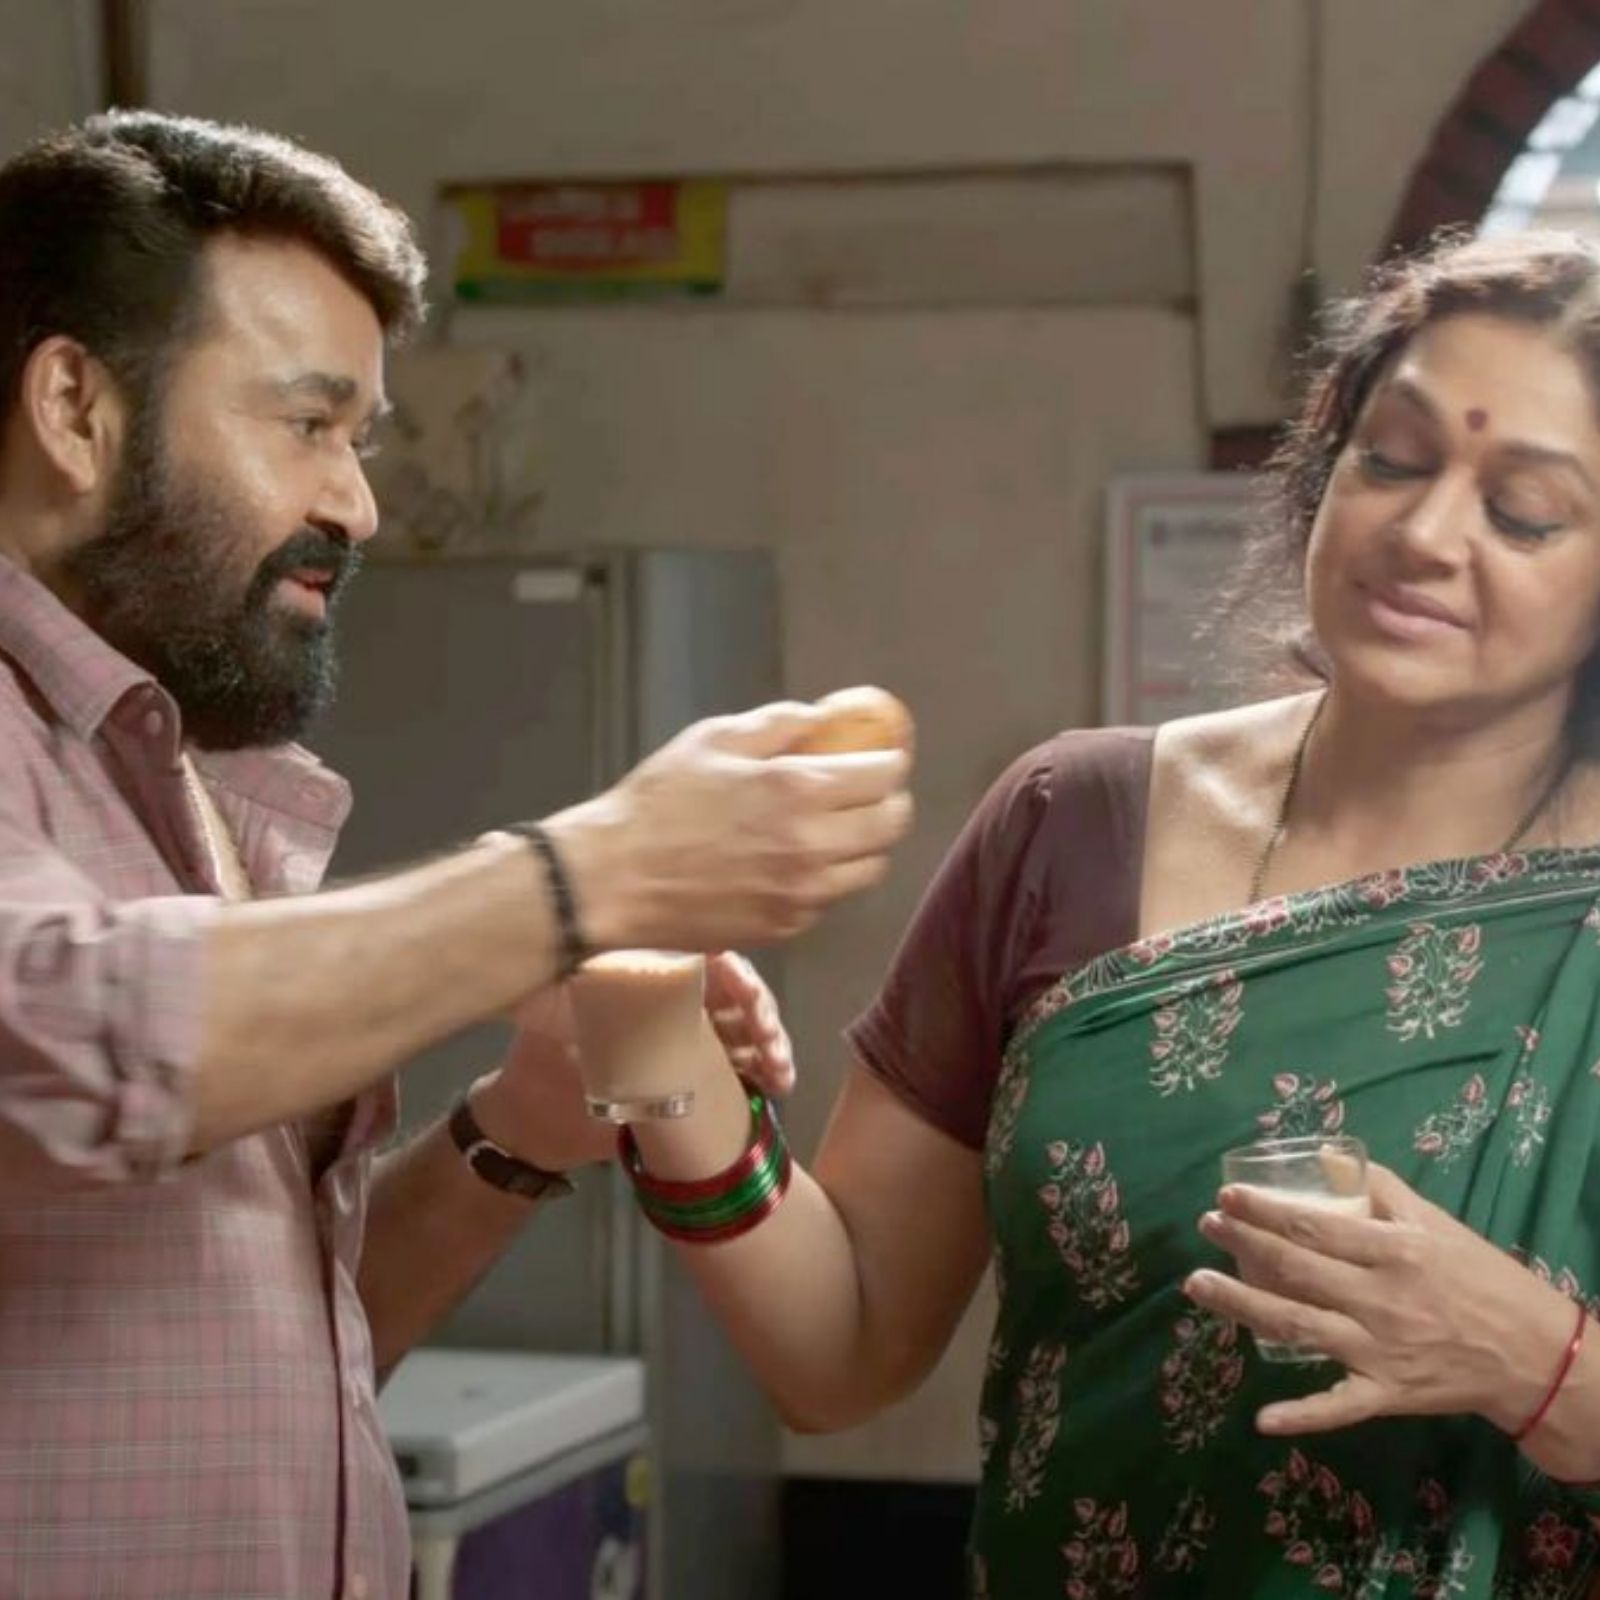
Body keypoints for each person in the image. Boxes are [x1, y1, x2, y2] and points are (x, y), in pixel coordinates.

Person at [604, 229, 1600, 1597]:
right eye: (1393, 458)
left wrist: (1537, 1361)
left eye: (1526, 513)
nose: (1424, 536)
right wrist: (663, 1067)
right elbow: (840, 1357)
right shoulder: (1072, 822)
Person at [0, 111, 911, 1600]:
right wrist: (589, 875)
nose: (356, 504)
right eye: (307, 425)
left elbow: (289, 1353)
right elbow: (58, 1029)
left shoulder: (185, 784)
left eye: (358, 442)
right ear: (75, 409)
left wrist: (522, 1126)